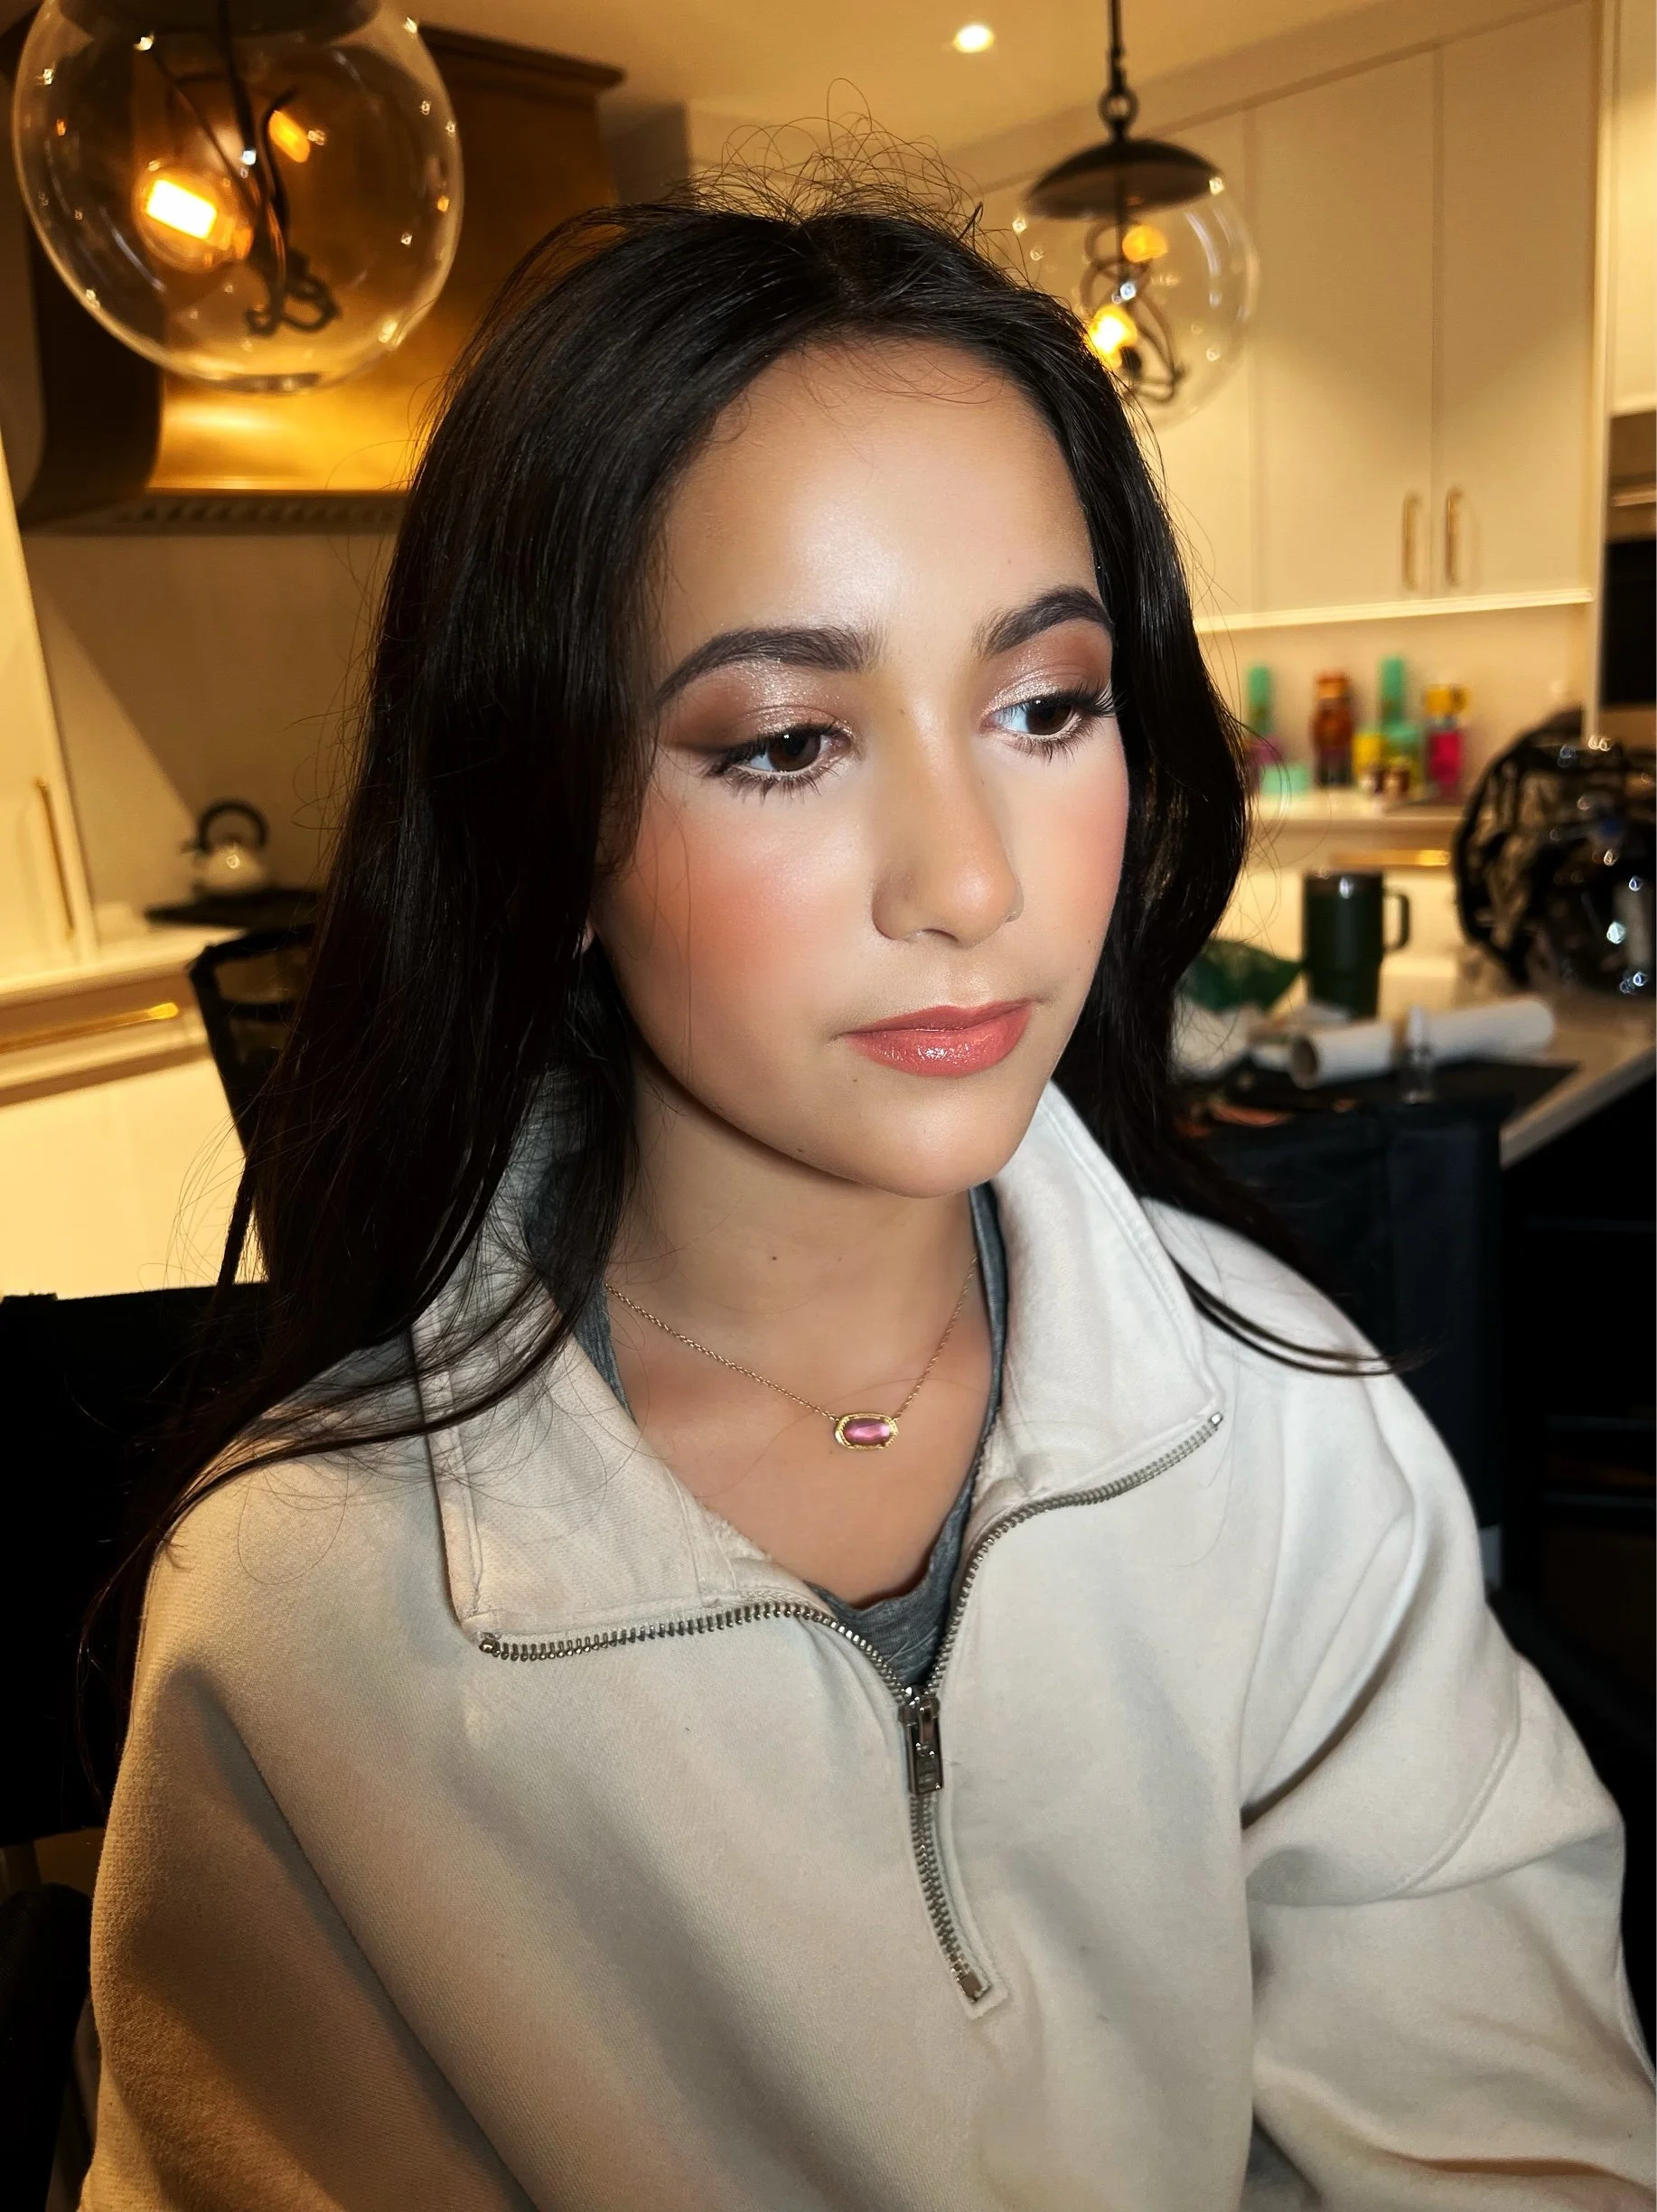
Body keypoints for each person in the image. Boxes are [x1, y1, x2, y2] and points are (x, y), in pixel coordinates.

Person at [82, 183, 1653, 2210]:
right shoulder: (311, 1618)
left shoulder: (1285, 1431)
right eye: (786, 741)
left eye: (1043, 707)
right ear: (549, 827)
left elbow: (1516, 2142)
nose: (970, 880)